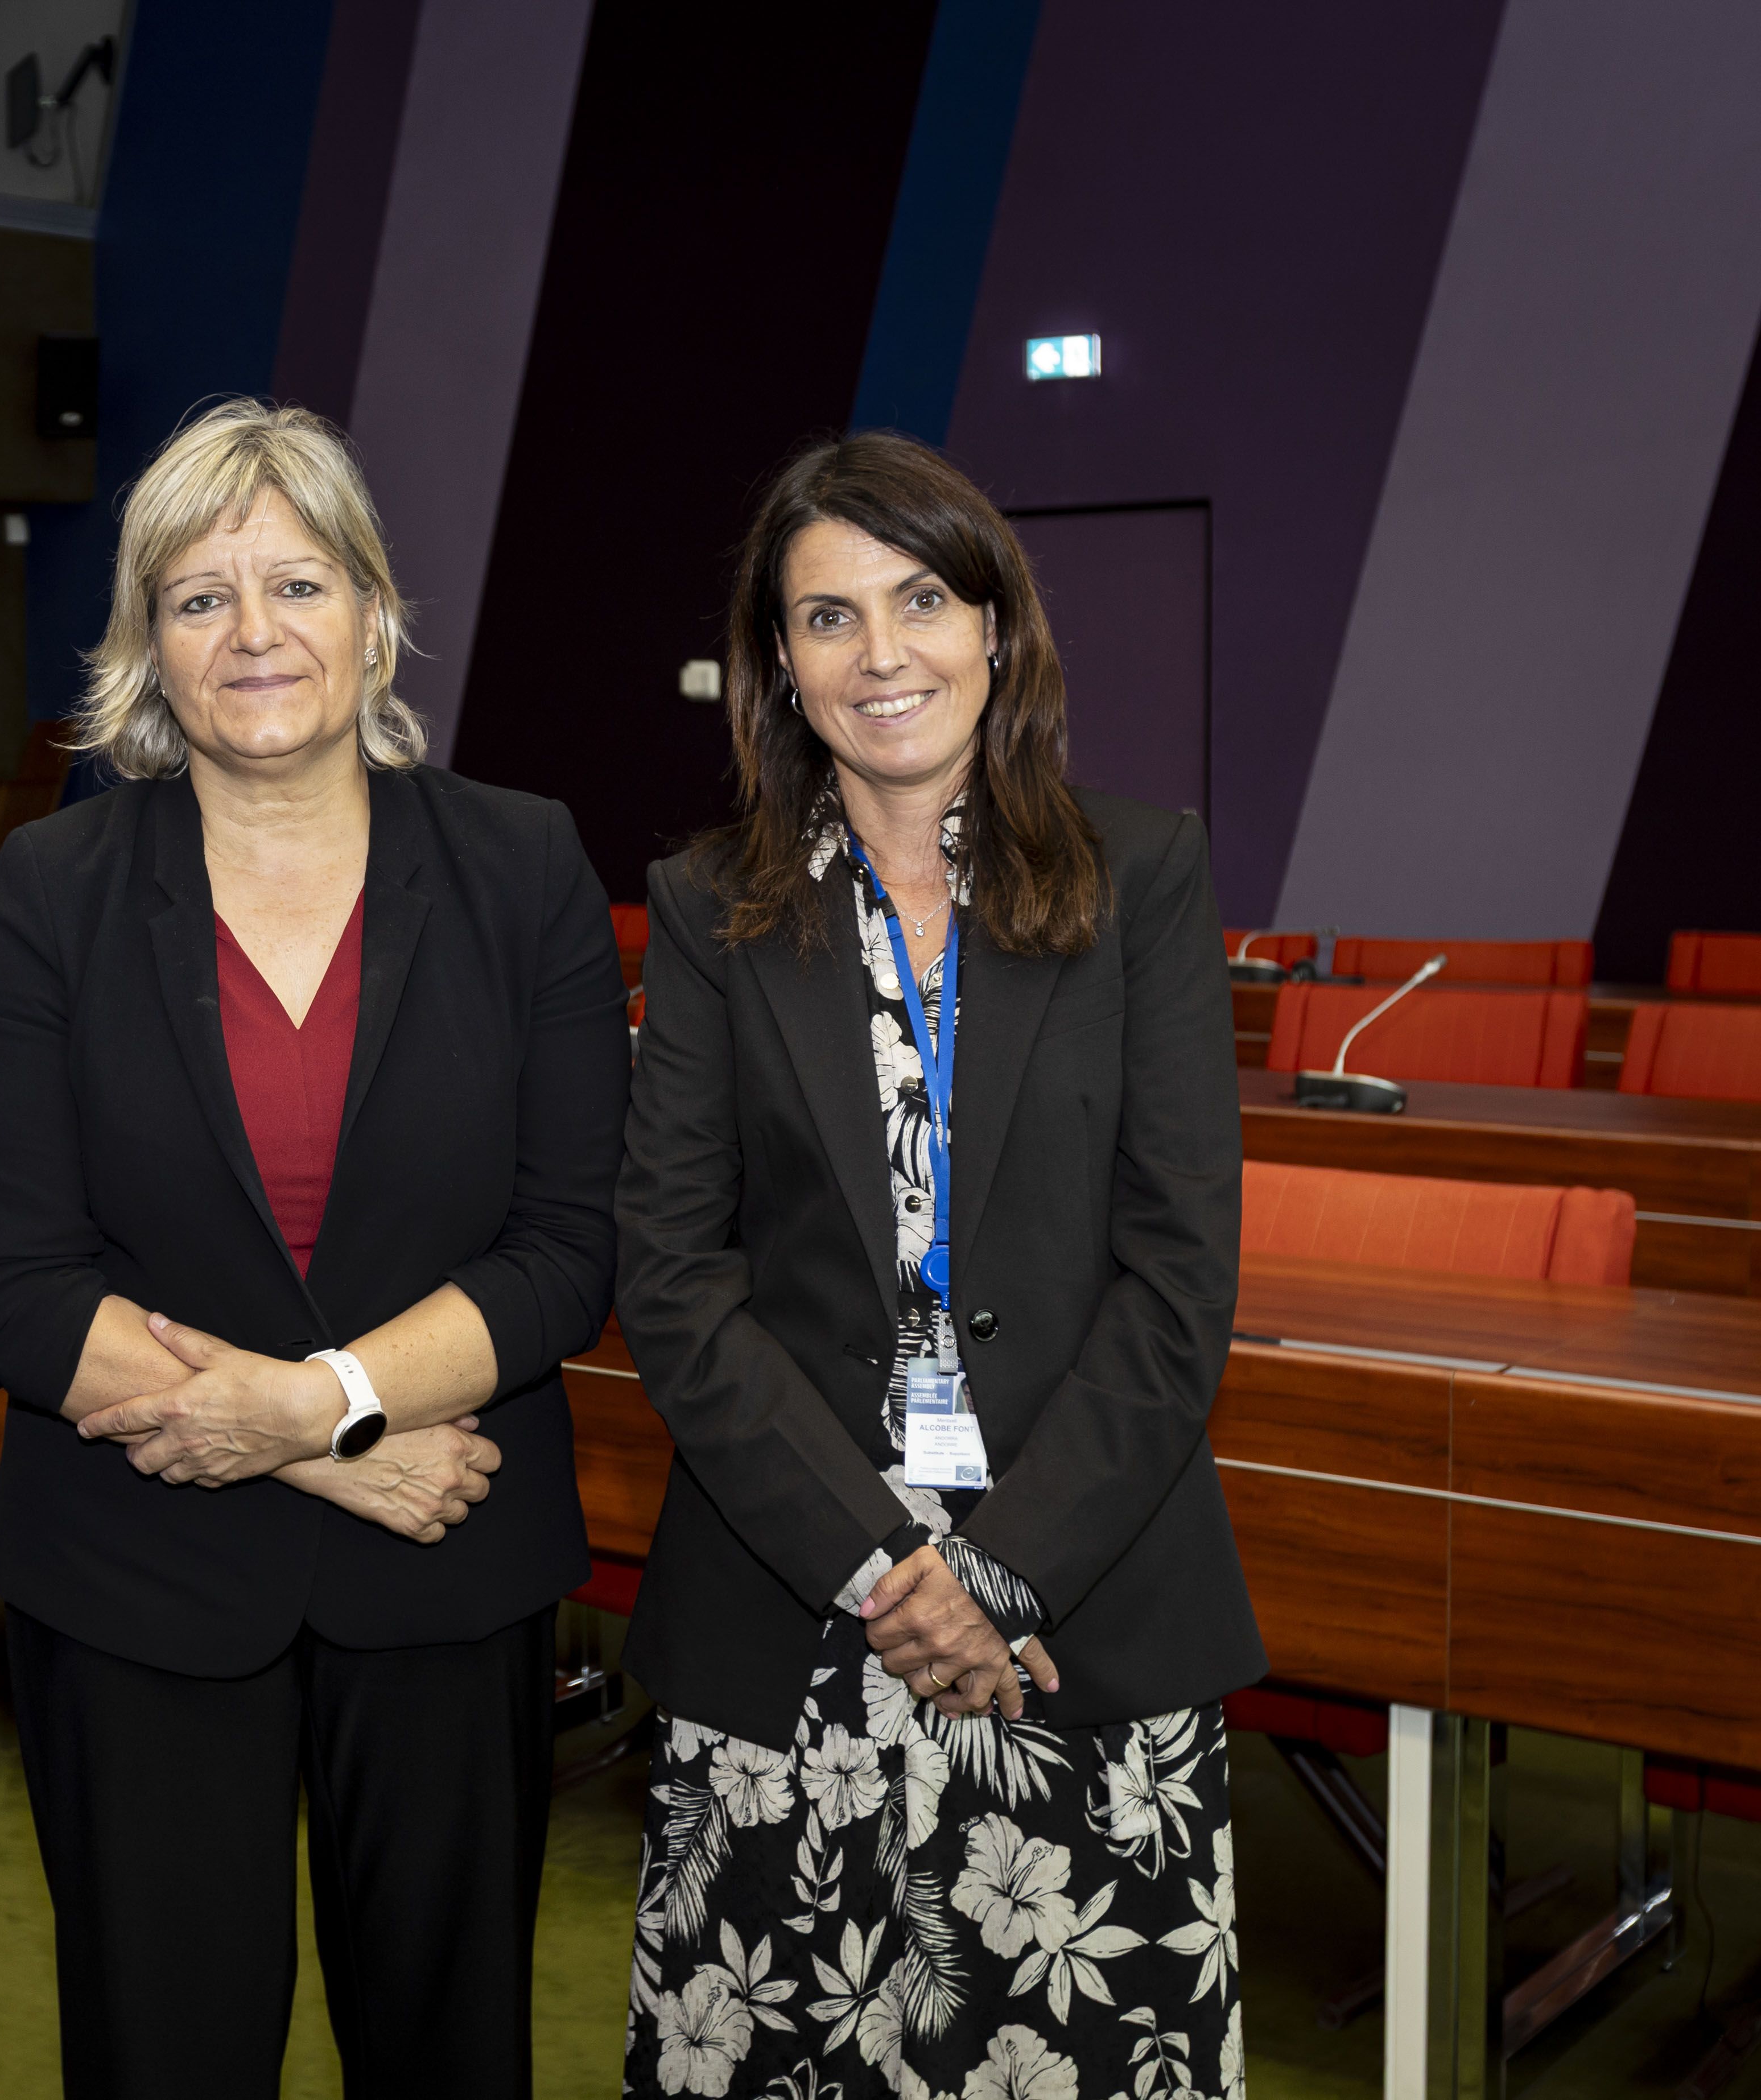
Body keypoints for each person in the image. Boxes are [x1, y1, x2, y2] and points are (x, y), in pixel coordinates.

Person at [0, 398, 630, 2099]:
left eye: (299, 584)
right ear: (148, 646)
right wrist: (330, 1443)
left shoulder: (523, 863)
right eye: (200, 596)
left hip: (449, 1566)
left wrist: (304, 1403)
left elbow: (569, 1244)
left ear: (374, 615)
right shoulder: (50, 888)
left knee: (448, 2059)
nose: (253, 631)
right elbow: (10, 1280)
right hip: (142, 1578)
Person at [612, 431, 1257, 2099]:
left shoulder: (1142, 877)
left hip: (1077, 1620)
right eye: (827, 617)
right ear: (778, 662)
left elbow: (1179, 1275)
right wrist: (891, 1568)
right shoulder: (711, 907)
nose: (880, 653)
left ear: (995, 625)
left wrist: (1000, 1574)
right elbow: (674, 1279)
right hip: (796, 1613)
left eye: (919, 601)